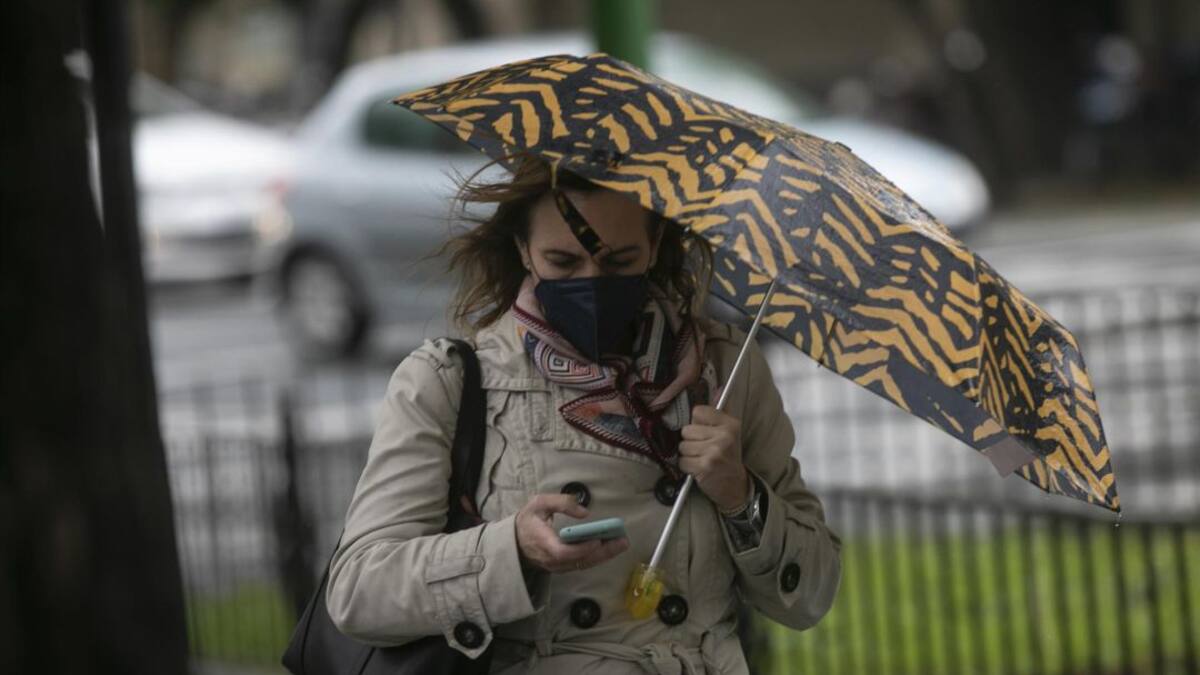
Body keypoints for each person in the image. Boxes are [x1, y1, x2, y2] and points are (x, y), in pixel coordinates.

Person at [325, 157, 842, 674]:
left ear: (656, 246)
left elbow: (812, 595)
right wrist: (512, 552)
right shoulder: (449, 383)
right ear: (524, 250)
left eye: (618, 262)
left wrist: (741, 497)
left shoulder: (729, 374)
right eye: (563, 263)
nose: (592, 285)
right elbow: (358, 591)